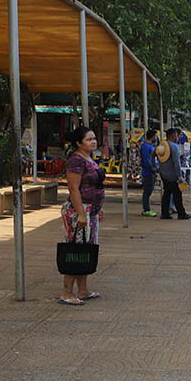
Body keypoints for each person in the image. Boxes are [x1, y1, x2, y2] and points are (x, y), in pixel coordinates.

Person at [59, 126, 105, 305]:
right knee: (75, 250)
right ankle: (67, 292)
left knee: (86, 250)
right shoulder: (76, 161)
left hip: (90, 210)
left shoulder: (89, 158)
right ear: (79, 143)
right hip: (78, 212)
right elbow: (73, 188)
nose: (93, 141)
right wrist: (80, 213)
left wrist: (97, 208)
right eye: (89, 139)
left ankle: (83, 289)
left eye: (94, 138)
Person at [158, 127, 191, 220]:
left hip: (163, 174)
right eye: (178, 136)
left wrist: (155, 167)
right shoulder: (174, 146)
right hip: (173, 175)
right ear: (174, 136)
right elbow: (176, 163)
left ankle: (164, 213)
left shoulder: (162, 145)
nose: (178, 137)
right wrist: (179, 176)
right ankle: (181, 213)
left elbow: (154, 155)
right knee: (177, 194)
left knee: (167, 194)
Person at [140, 130, 158, 217]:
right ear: (152, 136)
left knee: (148, 191)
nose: (156, 138)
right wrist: (152, 169)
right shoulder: (145, 147)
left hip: (151, 171)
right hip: (148, 173)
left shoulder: (149, 146)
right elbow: (147, 160)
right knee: (147, 191)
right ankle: (146, 209)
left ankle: (146, 208)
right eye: (155, 136)